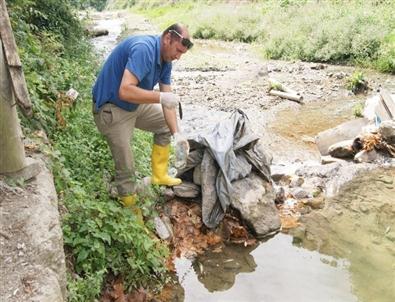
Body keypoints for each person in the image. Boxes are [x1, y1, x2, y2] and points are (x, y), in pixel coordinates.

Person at [92, 23, 193, 222]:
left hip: (133, 106)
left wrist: (178, 134)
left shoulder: (166, 60)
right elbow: (125, 90)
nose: (178, 56)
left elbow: (167, 98)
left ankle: (159, 175)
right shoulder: (144, 49)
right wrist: (160, 97)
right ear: (167, 39)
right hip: (111, 108)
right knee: (126, 163)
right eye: (178, 51)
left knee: (166, 125)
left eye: (182, 53)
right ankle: (129, 207)